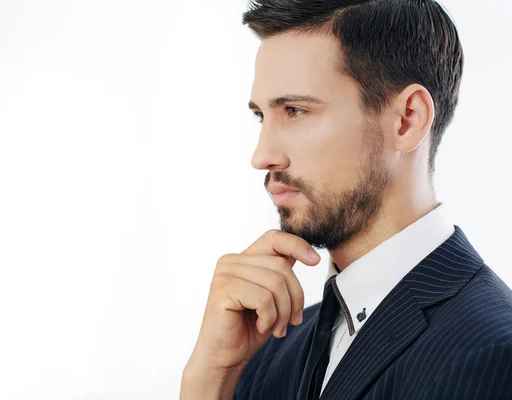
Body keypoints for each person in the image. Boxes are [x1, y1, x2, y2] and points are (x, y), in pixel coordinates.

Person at [180, 0, 512, 399]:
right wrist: (210, 380)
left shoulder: (495, 356)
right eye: (261, 116)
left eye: (296, 110)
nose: (262, 156)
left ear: (407, 119)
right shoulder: (264, 348)